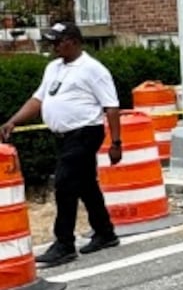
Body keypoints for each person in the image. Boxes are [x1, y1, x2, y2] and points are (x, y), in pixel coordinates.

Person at [1, 22, 122, 267]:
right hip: (65, 136)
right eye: (52, 42)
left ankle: (64, 244)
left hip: (85, 132)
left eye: (58, 42)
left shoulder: (92, 69)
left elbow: (111, 106)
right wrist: (13, 121)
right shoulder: (54, 68)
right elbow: (38, 99)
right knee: (86, 184)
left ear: (74, 41)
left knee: (65, 183)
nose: (54, 47)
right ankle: (105, 232)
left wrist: (116, 142)